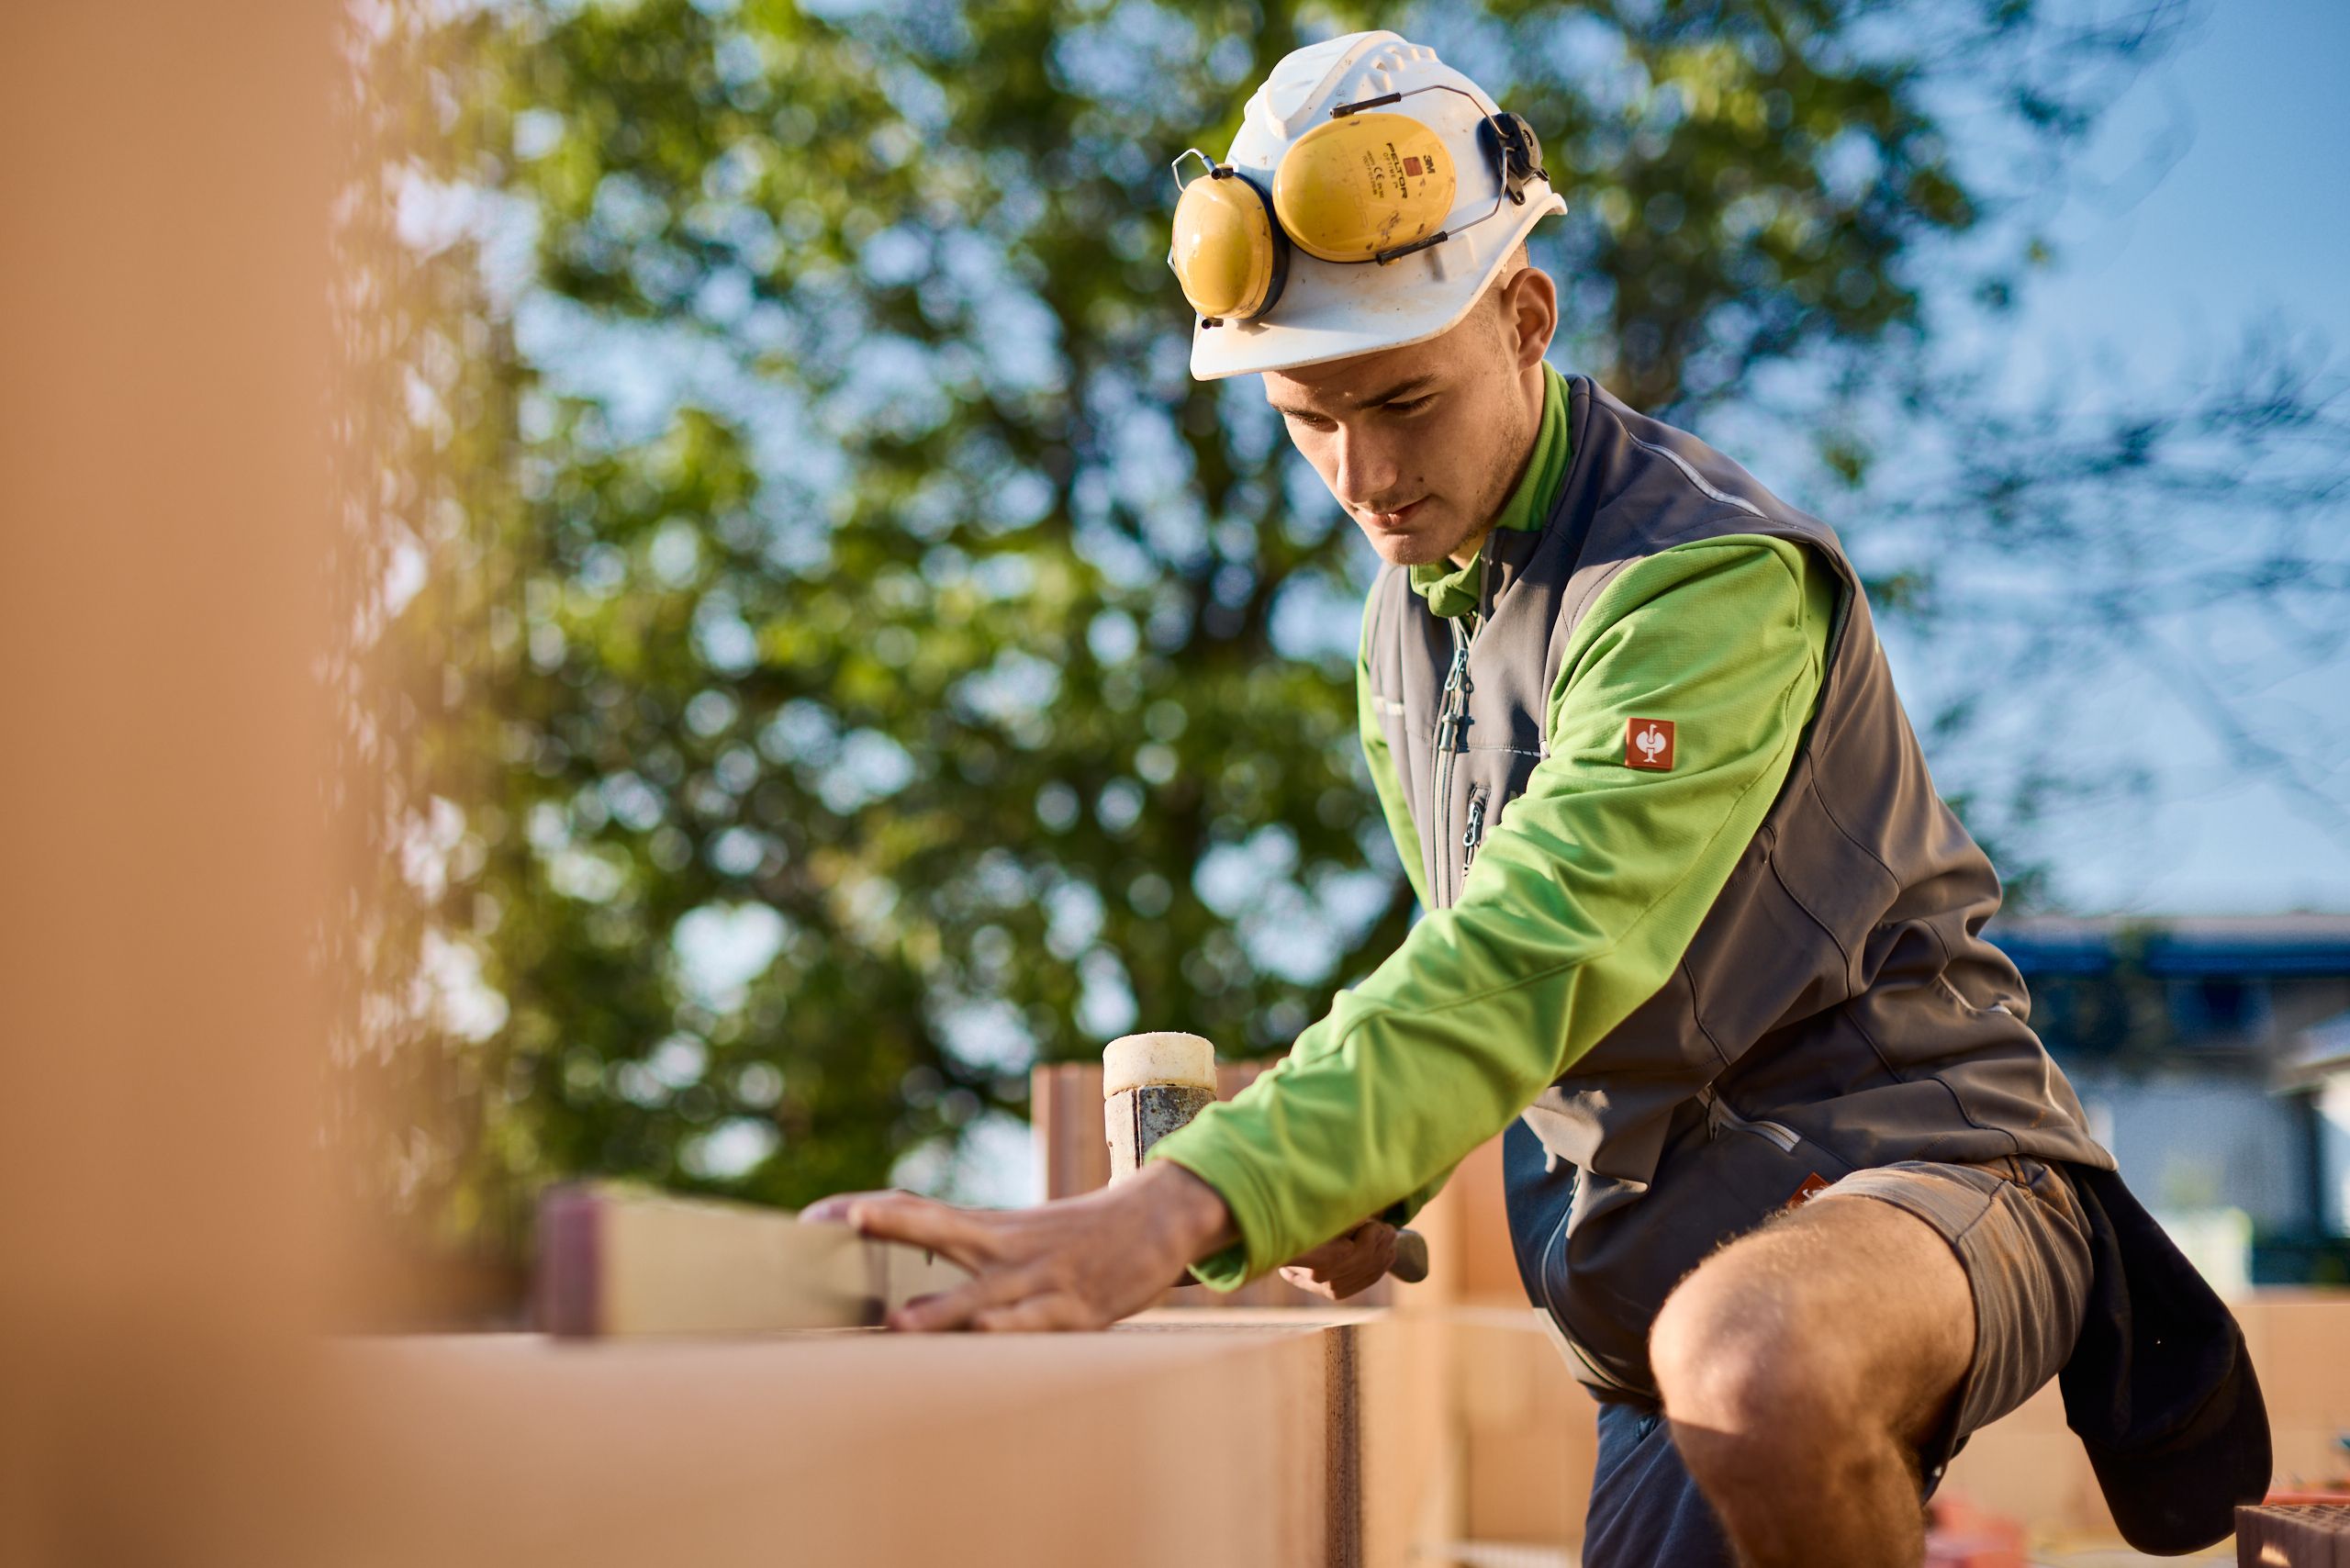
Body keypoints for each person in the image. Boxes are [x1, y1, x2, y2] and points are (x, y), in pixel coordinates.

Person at [807, 31, 2188, 1567]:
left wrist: (1185, 1204)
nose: (1362, 475)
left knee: (1756, 1364)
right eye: (1304, 421)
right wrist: (1358, 1176)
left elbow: (1535, 946)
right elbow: (1464, 949)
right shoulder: (1410, 624)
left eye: (1400, 401)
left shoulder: (1699, 583)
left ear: (1524, 315)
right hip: (1660, 1257)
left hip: (1923, 1166)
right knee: (1716, 1354)